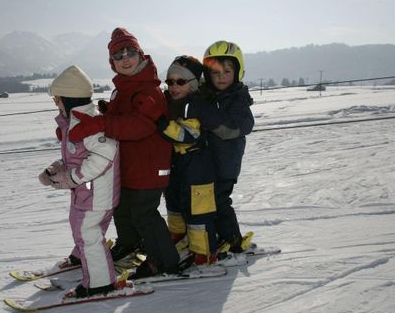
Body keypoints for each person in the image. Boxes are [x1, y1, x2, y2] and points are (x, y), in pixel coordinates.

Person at [68, 27, 179, 279]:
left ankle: (163, 260)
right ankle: (130, 244)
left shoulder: (148, 90)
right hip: (130, 167)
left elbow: (141, 125)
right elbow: (124, 117)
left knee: (144, 213)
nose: (125, 58)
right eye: (119, 56)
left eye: (130, 52)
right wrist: (108, 112)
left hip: (150, 167)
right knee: (122, 208)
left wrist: (103, 123)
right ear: (112, 63)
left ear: (141, 56)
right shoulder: (125, 88)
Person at [38, 64, 120, 297]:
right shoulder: (74, 122)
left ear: (69, 99)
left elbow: (105, 154)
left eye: (57, 100)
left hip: (96, 195)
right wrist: (57, 169)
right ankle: (82, 258)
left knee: (88, 233)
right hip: (88, 193)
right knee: (83, 230)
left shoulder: (88, 123)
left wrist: (72, 177)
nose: (56, 104)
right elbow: (78, 156)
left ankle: (100, 283)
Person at [188, 40, 255, 252]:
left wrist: (203, 113)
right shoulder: (207, 96)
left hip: (226, 164)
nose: (222, 76)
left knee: (220, 201)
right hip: (207, 163)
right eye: (215, 73)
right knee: (204, 203)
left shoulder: (238, 100)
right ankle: (214, 237)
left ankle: (233, 239)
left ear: (238, 71)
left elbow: (232, 129)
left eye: (227, 71)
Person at [157, 55, 219, 265]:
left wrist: (163, 124)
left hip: (198, 168)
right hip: (177, 165)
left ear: (193, 84)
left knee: (198, 213)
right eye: (170, 81)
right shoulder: (169, 103)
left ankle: (204, 252)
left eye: (180, 81)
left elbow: (187, 134)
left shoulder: (197, 105)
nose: (174, 86)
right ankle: (177, 234)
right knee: (173, 201)